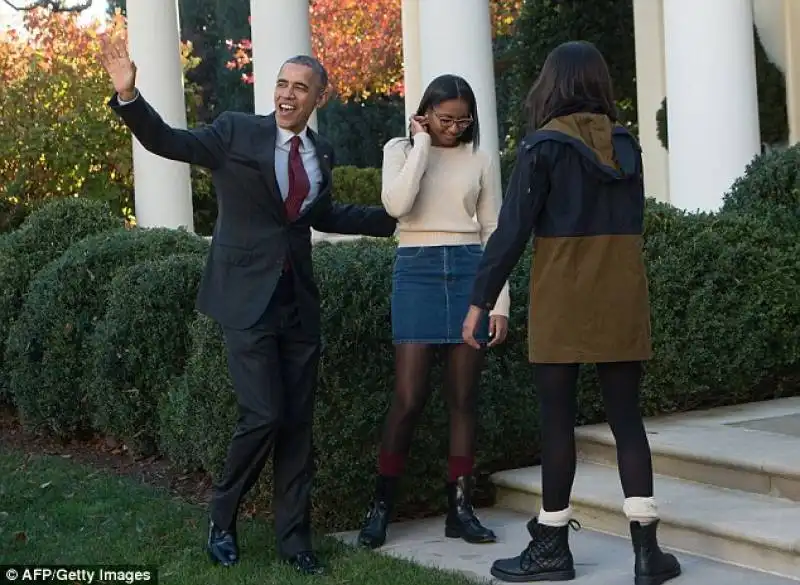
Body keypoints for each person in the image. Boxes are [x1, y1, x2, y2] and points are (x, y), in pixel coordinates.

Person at [97, 36, 397, 576]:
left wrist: (396, 219)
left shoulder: (319, 152)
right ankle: (221, 518)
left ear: (318, 99)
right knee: (264, 414)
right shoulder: (236, 130)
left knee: (298, 425)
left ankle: (294, 539)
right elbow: (169, 141)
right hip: (244, 300)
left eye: (299, 88)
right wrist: (129, 96)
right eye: (282, 84)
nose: (286, 94)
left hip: (297, 304)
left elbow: (320, 214)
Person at [462, 41, 682, 584]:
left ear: (552, 84)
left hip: (563, 296)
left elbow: (511, 230)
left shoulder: (543, 148)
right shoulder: (627, 147)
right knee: (627, 421)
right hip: (622, 294)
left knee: (556, 424)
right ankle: (647, 553)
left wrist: (480, 301)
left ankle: (553, 547)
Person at [356, 74, 511, 550]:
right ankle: (381, 505)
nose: (456, 129)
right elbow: (397, 205)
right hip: (417, 269)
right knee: (409, 396)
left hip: (469, 271)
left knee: (463, 399)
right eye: (446, 120)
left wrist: (499, 300)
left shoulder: (481, 159)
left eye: (464, 121)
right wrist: (421, 143)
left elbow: (494, 231)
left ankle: (459, 508)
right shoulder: (399, 150)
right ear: (426, 113)